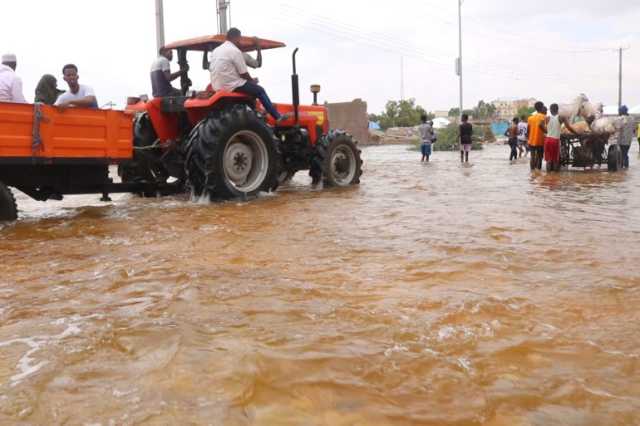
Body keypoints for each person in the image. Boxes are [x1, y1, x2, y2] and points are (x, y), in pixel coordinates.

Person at [209, 28, 288, 122]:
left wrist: (249, 80)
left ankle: (255, 112)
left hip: (217, 85)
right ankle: (277, 116)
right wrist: (251, 81)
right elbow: (244, 73)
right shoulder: (235, 51)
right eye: (240, 39)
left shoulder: (216, 51)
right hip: (231, 85)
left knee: (250, 87)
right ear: (237, 37)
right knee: (260, 90)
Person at [543, 104, 577, 171]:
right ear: (557, 109)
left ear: (550, 110)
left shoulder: (547, 118)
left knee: (548, 160)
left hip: (547, 140)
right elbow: (569, 127)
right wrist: (576, 133)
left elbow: (540, 125)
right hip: (555, 140)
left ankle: (548, 177)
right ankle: (555, 177)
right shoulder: (561, 117)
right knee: (555, 160)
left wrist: (547, 131)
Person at [527, 102, 546, 170]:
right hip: (540, 140)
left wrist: (528, 139)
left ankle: (532, 172)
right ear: (542, 107)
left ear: (535, 108)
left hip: (531, 140)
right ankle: (538, 173)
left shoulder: (530, 118)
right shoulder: (544, 116)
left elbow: (528, 130)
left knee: (532, 156)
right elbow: (545, 128)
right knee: (539, 157)